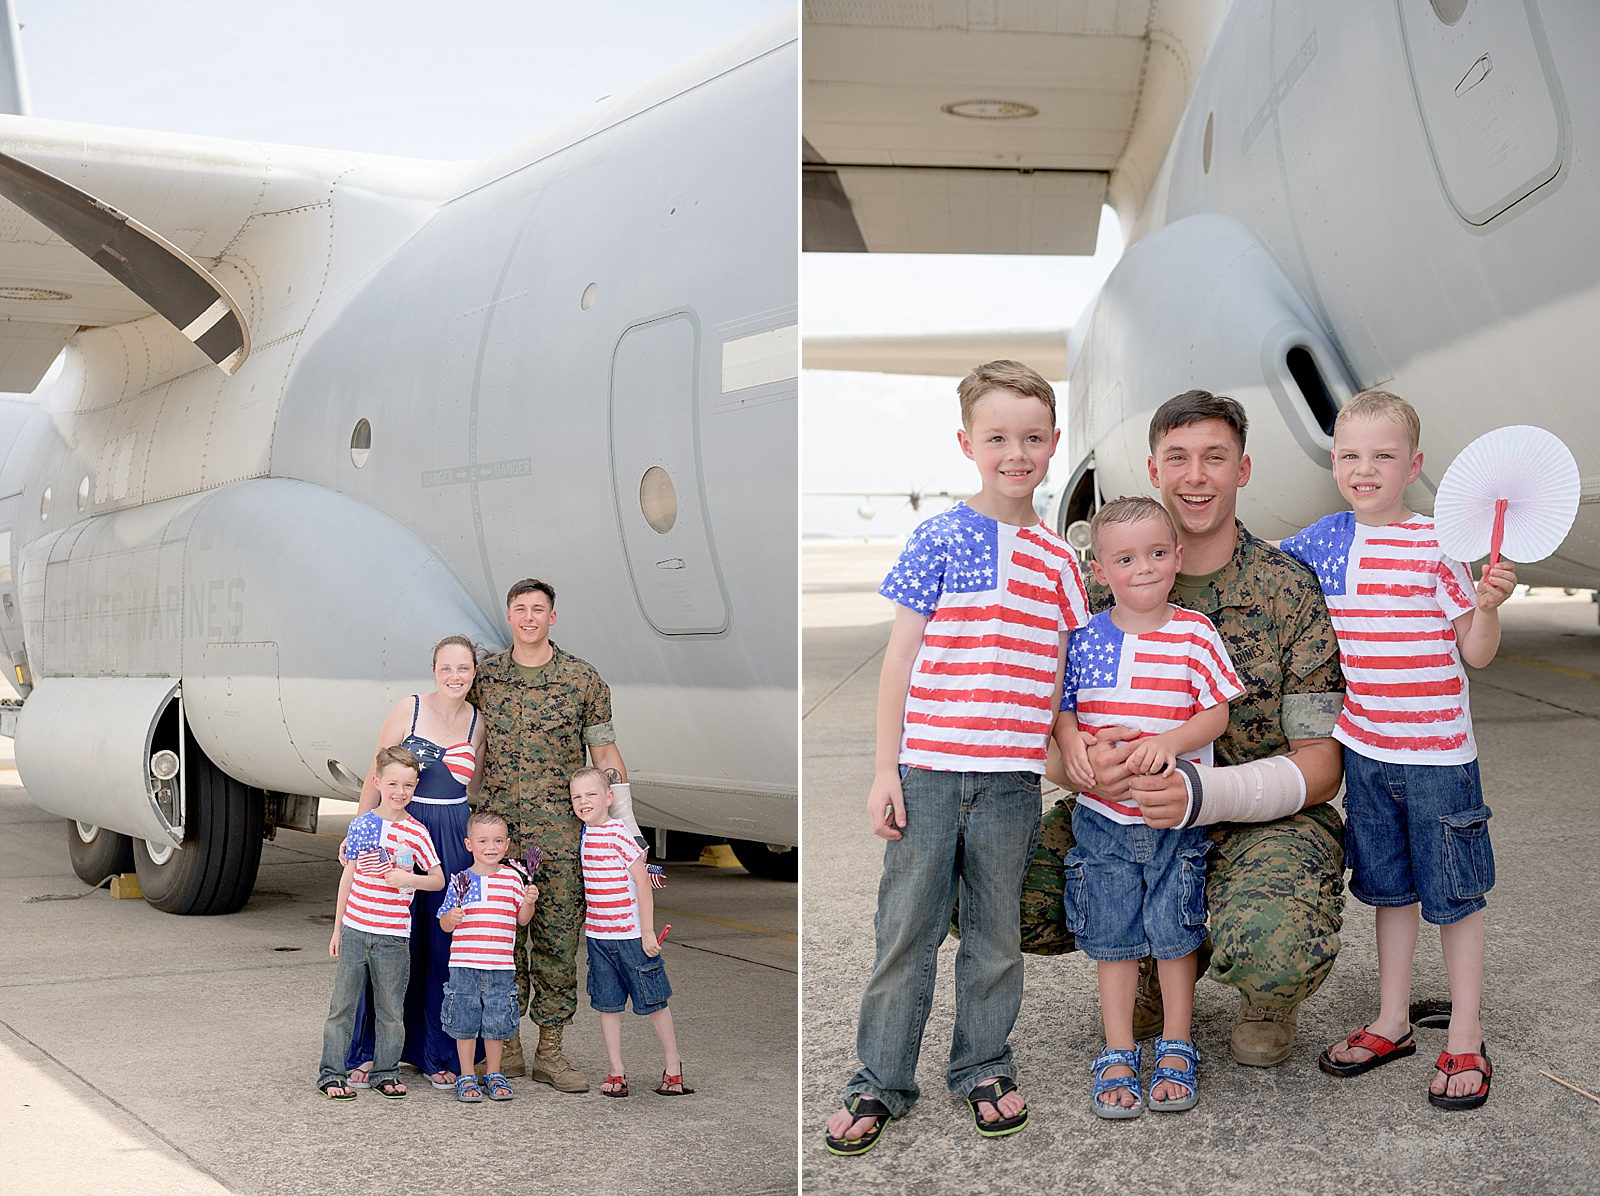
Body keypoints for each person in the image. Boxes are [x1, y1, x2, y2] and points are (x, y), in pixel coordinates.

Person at [1019, 388, 1347, 1069]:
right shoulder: (1099, 585)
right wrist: (1076, 766)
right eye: (1179, 458)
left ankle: (1265, 990)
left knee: (1273, 941)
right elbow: (1048, 715)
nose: (1196, 476)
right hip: (1125, 814)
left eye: (1215, 458)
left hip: (1262, 822)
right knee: (996, 886)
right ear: (1154, 470)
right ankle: (1148, 961)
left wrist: (1206, 796)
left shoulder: (1289, 591)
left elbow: (1322, 763)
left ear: (1242, 470)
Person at [825, 360, 1089, 1156]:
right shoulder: (941, 535)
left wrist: (1065, 753)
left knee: (995, 935)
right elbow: (900, 661)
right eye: (999, 437)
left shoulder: (1060, 560)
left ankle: (982, 1063)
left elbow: (1062, 679)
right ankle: (879, 1082)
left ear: (1053, 444)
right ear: (967, 443)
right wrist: (884, 771)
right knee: (905, 931)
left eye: (1034, 438)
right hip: (931, 774)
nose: (1018, 453)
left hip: (1011, 783)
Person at [1278, 389, 1512, 1110]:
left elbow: (1475, 653)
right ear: (1334, 462)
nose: (1364, 469)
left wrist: (1489, 606)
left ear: (1413, 466)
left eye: (1383, 456)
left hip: (1440, 758)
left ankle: (1466, 1034)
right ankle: (1392, 1019)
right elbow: (1257, 568)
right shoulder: (1323, 539)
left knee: (1455, 896)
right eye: (1350, 455)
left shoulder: (1437, 543)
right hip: (1367, 754)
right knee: (1389, 890)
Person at [1056, 496, 1243, 1117]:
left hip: (1173, 822)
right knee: (1112, 939)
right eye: (1127, 558)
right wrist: (1077, 753)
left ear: (1177, 558)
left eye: (1158, 554)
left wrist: (1170, 742)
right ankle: (1116, 1050)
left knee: (1173, 932)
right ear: (1101, 569)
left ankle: (1176, 1044)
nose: (1144, 568)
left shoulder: (1195, 633)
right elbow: (1065, 713)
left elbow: (1216, 712)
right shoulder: (1084, 638)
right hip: (1105, 823)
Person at [473, 578, 627, 1093]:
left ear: (552, 617)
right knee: (500, 942)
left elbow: (605, 758)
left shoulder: (582, 680)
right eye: (521, 609)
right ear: (510, 616)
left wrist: (628, 833)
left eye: (539, 609)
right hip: (498, 841)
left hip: (560, 840)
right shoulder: (485, 677)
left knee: (558, 943)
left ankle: (552, 1053)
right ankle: (508, 1047)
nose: (530, 618)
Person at [343, 635, 485, 1091]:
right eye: (447, 668)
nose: (455, 676)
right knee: (387, 940)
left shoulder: (477, 722)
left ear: (474, 673)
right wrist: (361, 831)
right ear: (434, 669)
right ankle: (368, 1051)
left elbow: (473, 788)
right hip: (403, 829)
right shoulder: (410, 709)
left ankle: (436, 1052)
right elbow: (377, 772)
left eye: (464, 668)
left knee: (442, 947)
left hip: (452, 841)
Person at [317, 746, 444, 1100]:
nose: (400, 792)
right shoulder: (362, 825)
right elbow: (348, 877)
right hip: (357, 930)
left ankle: (385, 1072)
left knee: (391, 1009)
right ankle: (331, 1074)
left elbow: (437, 879)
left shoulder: (417, 832)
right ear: (377, 782)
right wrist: (337, 927)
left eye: (407, 785)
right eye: (392, 784)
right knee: (341, 1006)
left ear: (416, 785)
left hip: (393, 936)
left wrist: (409, 880)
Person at [569, 766, 690, 1097]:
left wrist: (646, 932)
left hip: (631, 937)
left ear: (609, 798)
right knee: (607, 1005)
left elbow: (643, 883)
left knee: (654, 1002)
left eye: (591, 795)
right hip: (598, 938)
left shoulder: (621, 834)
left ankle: (673, 1065)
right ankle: (616, 1070)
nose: (583, 802)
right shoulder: (583, 835)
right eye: (577, 797)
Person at [437, 809, 540, 1103]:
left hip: (500, 966)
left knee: (496, 1024)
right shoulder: (460, 881)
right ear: (469, 844)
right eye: (483, 841)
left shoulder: (512, 880)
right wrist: (452, 917)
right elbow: (444, 924)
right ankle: (467, 1074)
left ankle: (494, 1073)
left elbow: (522, 920)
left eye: (497, 841)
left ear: (507, 845)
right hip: (464, 965)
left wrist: (529, 902)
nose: (491, 847)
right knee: (465, 1021)